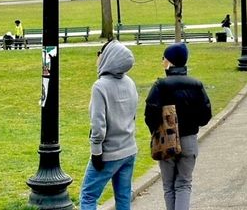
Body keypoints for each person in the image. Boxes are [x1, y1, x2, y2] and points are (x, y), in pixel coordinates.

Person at [145, 43, 212, 210]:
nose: (162, 62)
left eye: (164, 59)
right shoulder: (196, 85)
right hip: (189, 139)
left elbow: (150, 115)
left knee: (168, 185)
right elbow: (205, 115)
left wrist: (155, 130)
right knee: (184, 183)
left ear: (170, 62)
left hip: (166, 139)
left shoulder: (160, 86)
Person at [79, 40, 138, 210]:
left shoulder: (100, 86)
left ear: (108, 58)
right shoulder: (129, 83)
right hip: (129, 149)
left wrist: (96, 152)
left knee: (88, 195)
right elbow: (132, 115)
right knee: (123, 196)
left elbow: (98, 125)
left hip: (109, 153)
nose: (98, 57)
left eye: (100, 53)